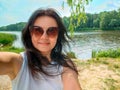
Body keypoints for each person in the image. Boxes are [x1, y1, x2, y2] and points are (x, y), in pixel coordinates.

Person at [0, 8, 82, 90]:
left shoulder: (65, 65)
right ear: (30, 33)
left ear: (58, 35)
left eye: (52, 31)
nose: (44, 37)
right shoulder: (18, 62)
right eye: (37, 30)